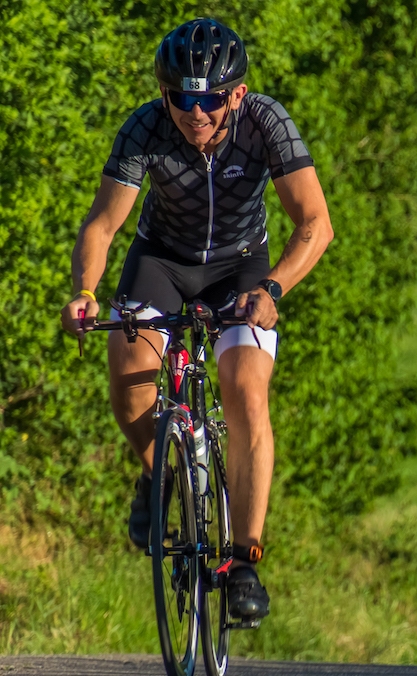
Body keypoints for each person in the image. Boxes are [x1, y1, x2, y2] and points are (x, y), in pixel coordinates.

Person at [59, 18, 333, 622]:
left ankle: (244, 560)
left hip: (242, 266)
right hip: (161, 260)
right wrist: (84, 291)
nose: (196, 112)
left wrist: (273, 288)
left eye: (211, 99)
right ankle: (157, 476)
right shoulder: (145, 127)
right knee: (130, 379)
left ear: (237, 94)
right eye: (182, 98)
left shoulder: (266, 122)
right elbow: (103, 225)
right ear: (165, 95)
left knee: (245, 390)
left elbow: (316, 223)